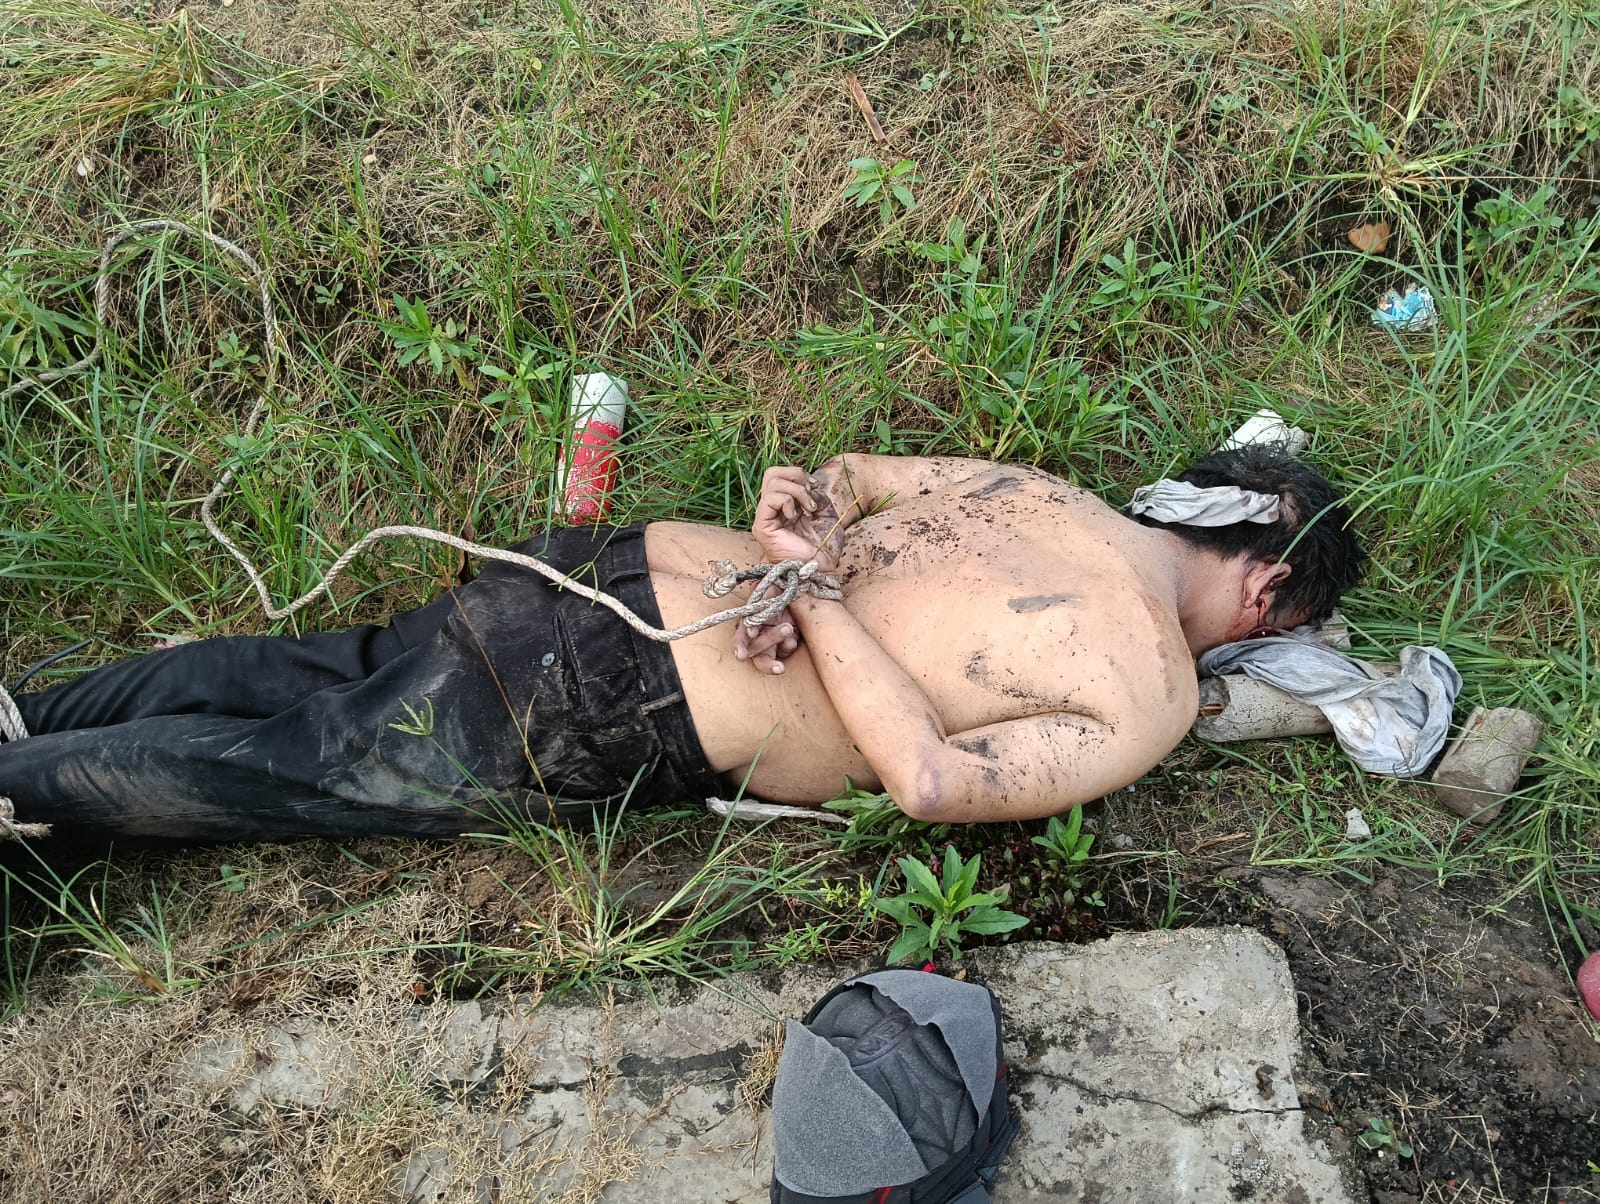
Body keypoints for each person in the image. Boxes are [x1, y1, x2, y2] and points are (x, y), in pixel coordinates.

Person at [0, 447, 1362, 847]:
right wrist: (813, 591)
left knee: (317, 670)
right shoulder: (1150, 687)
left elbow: (838, 474)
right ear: (1270, 596)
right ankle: (15, 779)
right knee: (289, 768)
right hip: (622, 687)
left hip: (599, 571)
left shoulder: (1039, 491)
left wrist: (794, 526)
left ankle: (26, 712)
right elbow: (932, 782)